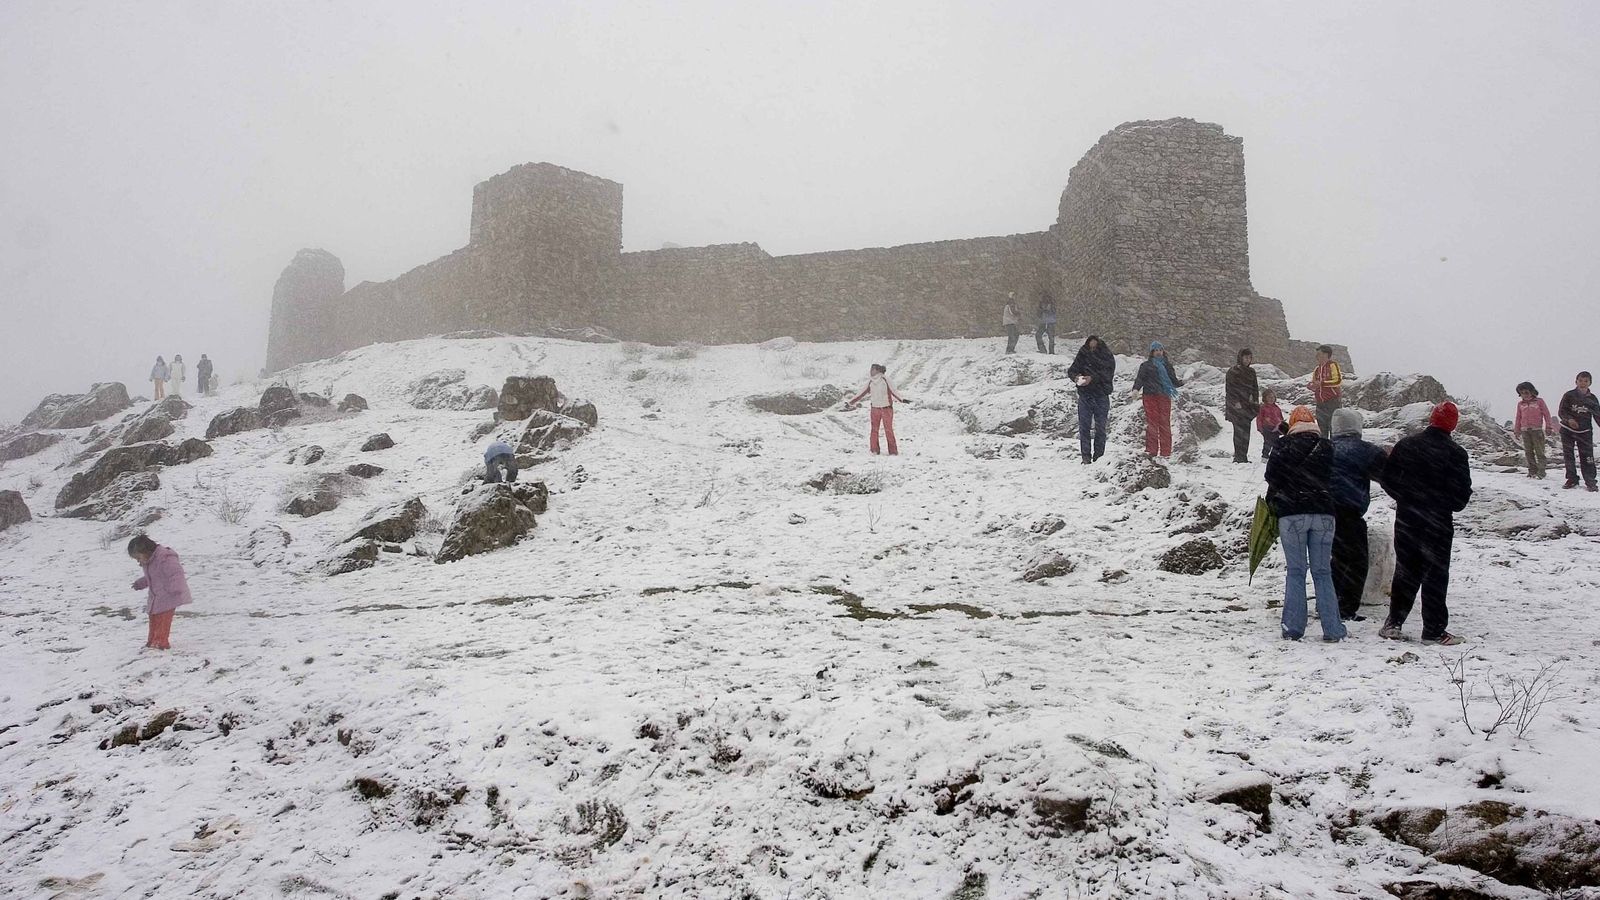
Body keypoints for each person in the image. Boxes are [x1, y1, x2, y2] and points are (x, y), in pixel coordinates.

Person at [1379, 402, 1473, 646]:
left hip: (1407, 518)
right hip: (1438, 522)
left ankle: (1393, 623)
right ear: (1453, 424)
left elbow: (1387, 478)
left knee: (1405, 571)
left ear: (1432, 419)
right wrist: (1441, 502)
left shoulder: (1407, 444)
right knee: (1435, 575)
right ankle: (1433, 630)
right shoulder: (1456, 453)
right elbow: (1461, 497)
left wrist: (1406, 497)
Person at [1265, 406, 1347, 642]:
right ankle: (1333, 628)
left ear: (1292, 425)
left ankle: (1293, 627)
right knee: (1323, 572)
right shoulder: (1327, 447)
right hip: (1324, 513)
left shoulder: (1282, 446)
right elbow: (1337, 479)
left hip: (1291, 513)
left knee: (1296, 571)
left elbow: (1271, 477)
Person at [1329, 408, 1387, 622]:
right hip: (1350, 512)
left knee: (1336, 560)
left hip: (1325, 512)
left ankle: (1330, 601)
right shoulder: (1365, 450)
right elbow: (1386, 475)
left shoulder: (1325, 447)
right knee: (1356, 561)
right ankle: (1346, 607)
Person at [128, 534, 191, 650]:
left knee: (162, 621)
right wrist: (139, 583)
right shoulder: (149, 562)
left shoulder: (165, 558)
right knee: (153, 619)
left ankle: (161, 643)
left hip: (168, 596)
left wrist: (176, 587)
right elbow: (153, 577)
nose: (138, 561)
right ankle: (151, 642)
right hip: (156, 597)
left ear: (146, 551)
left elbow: (176, 573)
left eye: (138, 558)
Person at [1067, 335, 1116, 464]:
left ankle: (1099, 456)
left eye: (1095, 347)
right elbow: (1072, 370)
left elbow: (1107, 374)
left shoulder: (1106, 356)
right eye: (1091, 347)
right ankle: (1086, 457)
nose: (1092, 349)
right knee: (1084, 427)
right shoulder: (1083, 354)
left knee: (1100, 428)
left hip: (1101, 395)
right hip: (1085, 395)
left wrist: (1092, 378)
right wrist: (1076, 377)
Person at [1131, 341, 1182, 457]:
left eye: (1160, 350)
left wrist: (1181, 383)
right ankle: (1151, 450)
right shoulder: (1145, 366)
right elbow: (1140, 379)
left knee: (1164, 423)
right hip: (1150, 396)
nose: (1158, 352)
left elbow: (1173, 380)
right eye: (1156, 350)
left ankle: (1166, 452)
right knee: (1152, 423)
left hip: (1164, 396)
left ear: (1163, 351)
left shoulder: (1167, 366)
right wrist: (1136, 389)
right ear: (1152, 352)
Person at [846, 364, 909, 455]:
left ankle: (893, 451)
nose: (870, 371)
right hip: (875, 408)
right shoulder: (870, 382)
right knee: (874, 430)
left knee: (888, 430)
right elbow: (861, 393)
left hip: (886, 408)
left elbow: (893, 391)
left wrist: (902, 399)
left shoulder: (885, 379)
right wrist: (850, 402)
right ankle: (874, 450)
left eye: (872, 369)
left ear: (878, 370)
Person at [1558, 371, 1599, 491]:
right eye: (1580, 380)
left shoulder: (1592, 399)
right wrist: (1569, 419)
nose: (1583, 383)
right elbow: (1562, 411)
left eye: (1586, 381)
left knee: (1588, 457)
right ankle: (1572, 479)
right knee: (1569, 456)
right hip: (1567, 430)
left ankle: (1590, 481)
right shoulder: (1569, 395)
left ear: (1590, 383)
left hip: (1585, 431)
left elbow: (1597, 415)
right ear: (1576, 381)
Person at [1513, 381, 1556, 480]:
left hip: (1537, 430)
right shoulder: (1520, 404)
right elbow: (1518, 417)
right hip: (1525, 430)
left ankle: (1541, 471)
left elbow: (1546, 414)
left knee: (1539, 451)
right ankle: (1532, 470)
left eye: (1526, 392)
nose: (1525, 395)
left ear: (1532, 391)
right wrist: (1517, 430)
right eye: (1522, 393)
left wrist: (1548, 427)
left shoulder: (1539, 402)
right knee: (1528, 452)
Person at [1224, 349, 1260, 463]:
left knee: (1246, 431)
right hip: (1237, 406)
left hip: (1248, 405)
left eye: (1250, 358)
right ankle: (1238, 456)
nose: (1248, 360)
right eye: (1246, 357)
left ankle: (1244, 456)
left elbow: (1255, 388)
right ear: (1241, 357)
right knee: (1238, 431)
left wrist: (1255, 401)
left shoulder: (1251, 371)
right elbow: (1230, 388)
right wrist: (1235, 402)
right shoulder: (1233, 371)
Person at [1308, 345, 1344, 438]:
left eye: (1319, 354)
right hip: (1320, 403)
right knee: (1322, 430)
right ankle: (1324, 446)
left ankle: (1333, 446)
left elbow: (1337, 381)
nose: (1316, 356)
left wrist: (1321, 383)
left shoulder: (1332, 365)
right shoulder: (1317, 369)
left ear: (1326, 354)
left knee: (1333, 429)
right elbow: (1315, 383)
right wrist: (1312, 386)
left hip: (1332, 402)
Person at [1257, 388, 1285, 460]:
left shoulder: (1277, 408)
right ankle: (1265, 456)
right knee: (1267, 443)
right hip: (1267, 428)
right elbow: (1259, 418)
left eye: (1273, 397)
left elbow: (1281, 417)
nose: (1271, 399)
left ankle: (1275, 455)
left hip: (1276, 428)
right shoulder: (1263, 408)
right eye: (1269, 397)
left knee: (1277, 442)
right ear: (1265, 398)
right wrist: (1260, 428)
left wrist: (1282, 425)